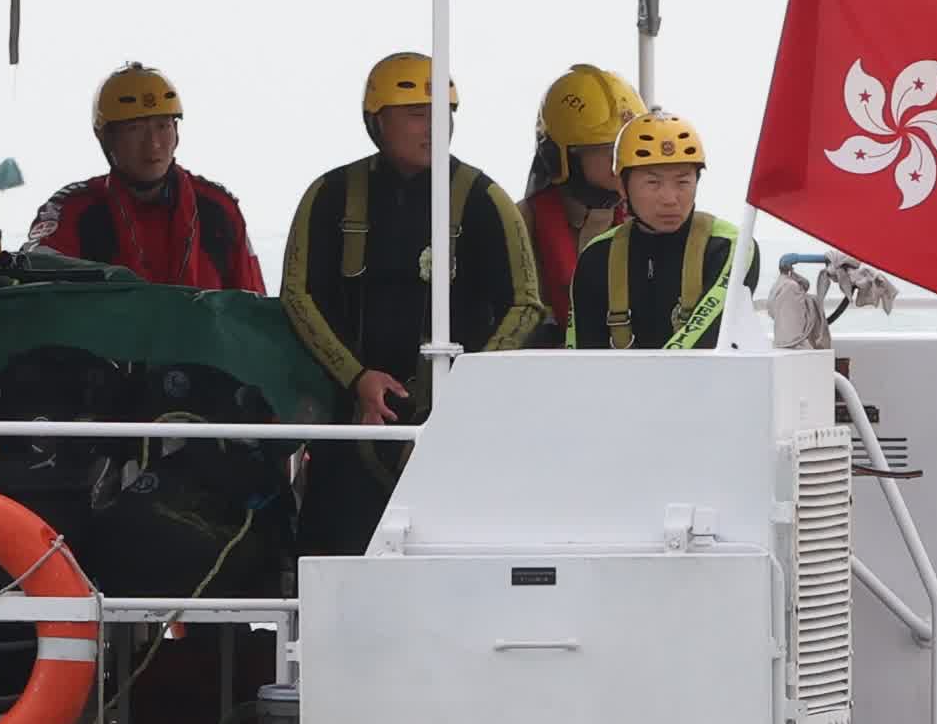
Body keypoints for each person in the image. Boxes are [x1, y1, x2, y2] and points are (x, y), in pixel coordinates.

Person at [279, 52, 542, 554]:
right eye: (417, 114)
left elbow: (526, 304)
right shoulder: (330, 196)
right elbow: (297, 295)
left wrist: (460, 388)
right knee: (335, 560)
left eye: (443, 114)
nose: (433, 127)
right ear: (378, 121)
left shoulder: (485, 200)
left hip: (452, 430)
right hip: (349, 430)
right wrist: (357, 379)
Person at [18, 62, 263, 289]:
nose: (153, 144)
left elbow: (253, 311)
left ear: (176, 132)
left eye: (162, 126)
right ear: (106, 137)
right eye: (135, 129)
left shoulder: (218, 208)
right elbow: (34, 276)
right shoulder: (73, 209)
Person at [568, 111, 744, 350]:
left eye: (683, 182)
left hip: (703, 384)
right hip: (620, 386)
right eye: (653, 183)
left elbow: (705, 337)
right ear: (621, 185)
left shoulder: (731, 247)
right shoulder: (598, 256)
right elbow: (581, 356)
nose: (670, 199)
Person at [523, 62, 643, 338]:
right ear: (562, 157)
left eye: (627, 148)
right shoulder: (518, 226)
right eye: (609, 150)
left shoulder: (652, 222)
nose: (622, 161)